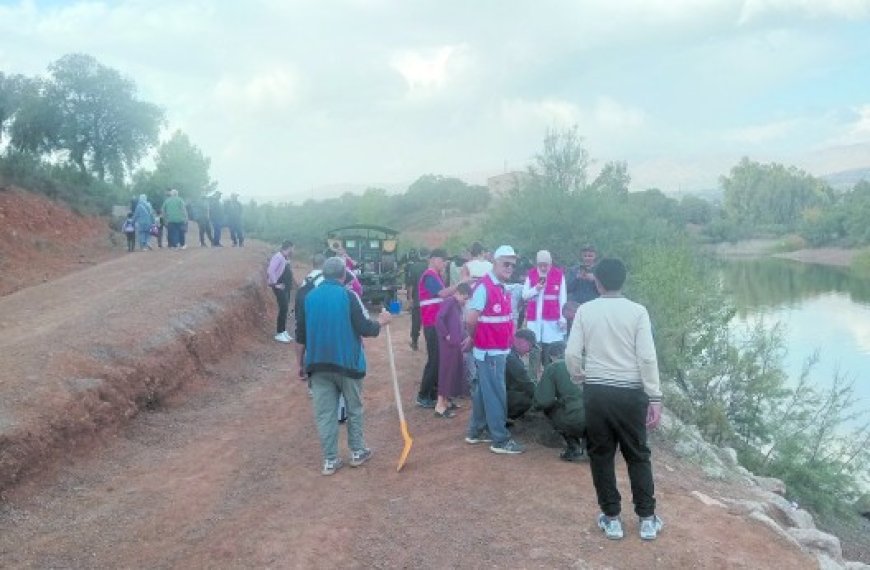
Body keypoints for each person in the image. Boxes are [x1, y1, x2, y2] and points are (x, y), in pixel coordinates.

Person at [565, 258, 664, 541]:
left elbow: (572, 354)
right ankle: (646, 519)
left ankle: (612, 519)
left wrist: (579, 376)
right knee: (638, 455)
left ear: (597, 281)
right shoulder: (637, 312)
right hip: (631, 393)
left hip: (597, 391)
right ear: (623, 280)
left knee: (601, 454)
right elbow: (646, 357)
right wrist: (654, 397)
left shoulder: (585, 310)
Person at [300, 257, 391, 475]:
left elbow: (301, 335)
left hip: (317, 364)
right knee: (354, 408)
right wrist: (382, 322)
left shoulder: (309, 297)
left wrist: (301, 364)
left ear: (324, 274)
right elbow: (364, 328)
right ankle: (357, 451)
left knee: (325, 414)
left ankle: (330, 460)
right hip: (347, 364)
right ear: (343, 275)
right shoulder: (349, 296)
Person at [465, 245, 525, 455]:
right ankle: (499, 439)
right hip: (490, 351)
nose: (509, 268)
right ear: (495, 262)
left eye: (512, 264)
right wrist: (473, 339)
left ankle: (476, 431)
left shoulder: (500, 286)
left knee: (484, 391)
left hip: (496, 350)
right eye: (505, 263)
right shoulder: (485, 287)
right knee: (496, 394)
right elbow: (471, 318)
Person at [415, 248, 467, 409]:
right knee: (435, 360)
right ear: (433, 259)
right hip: (432, 323)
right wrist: (461, 284)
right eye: (442, 260)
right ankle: (424, 395)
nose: (444, 263)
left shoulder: (434, 276)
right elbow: (442, 293)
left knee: (439, 360)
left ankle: (436, 395)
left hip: (436, 323)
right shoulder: (429, 276)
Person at [534, 341, 586, 462]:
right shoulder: (592, 361)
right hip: (608, 419)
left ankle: (574, 448)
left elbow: (543, 401)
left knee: (550, 408)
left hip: (576, 419)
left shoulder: (554, 366)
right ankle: (591, 446)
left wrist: (534, 406)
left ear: (552, 356)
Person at [522, 250, 567, 368]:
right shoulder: (531, 274)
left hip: (552, 319)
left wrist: (563, 318)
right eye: (540, 265)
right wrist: (536, 289)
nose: (543, 268)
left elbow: (562, 298)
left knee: (551, 350)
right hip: (535, 319)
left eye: (545, 265)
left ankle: (551, 375)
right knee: (534, 349)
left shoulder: (559, 274)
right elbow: (524, 295)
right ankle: (532, 378)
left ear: (550, 264)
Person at [433, 282, 473, 418]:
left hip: (455, 344)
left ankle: (446, 401)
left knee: (452, 372)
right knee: (446, 372)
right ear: (458, 293)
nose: (465, 301)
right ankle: (439, 406)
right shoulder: (450, 301)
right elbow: (438, 319)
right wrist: (446, 335)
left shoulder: (456, 305)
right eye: (465, 298)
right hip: (448, 345)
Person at [295, 253, 326, 380]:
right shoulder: (324, 279)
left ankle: (300, 366)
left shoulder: (307, 278)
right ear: (324, 264)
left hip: (302, 310)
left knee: (301, 337)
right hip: (315, 310)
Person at [266, 240, 295, 343]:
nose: (294, 250)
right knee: (283, 308)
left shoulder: (284, 257)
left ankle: (283, 331)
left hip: (285, 287)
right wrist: (275, 284)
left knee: (285, 308)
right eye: (293, 248)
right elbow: (270, 270)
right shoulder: (278, 256)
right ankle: (279, 333)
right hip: (279, 286)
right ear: (290, 247)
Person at [505, 328, 536, 420]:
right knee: (528, 400)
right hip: (499, 396)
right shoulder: (511, 358)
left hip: (497, 393)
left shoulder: (508, 351)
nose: (529, 351)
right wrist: (542, 396)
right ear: (522, 341)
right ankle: (506, 416)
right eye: (530, 346)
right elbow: (526, 384)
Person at [404, 249, 428, 351]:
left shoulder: (414, 267)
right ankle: (430, 344)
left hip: (418, 300)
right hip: (429, 300)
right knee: (429, 323)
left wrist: (409, 299)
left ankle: (414, 343)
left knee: (416, 322)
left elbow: (410, 285)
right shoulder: (430, 267)